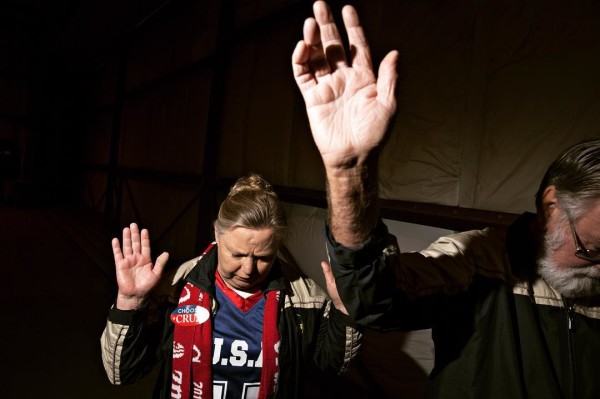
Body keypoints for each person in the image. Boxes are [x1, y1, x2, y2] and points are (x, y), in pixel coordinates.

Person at [292, 1, 600, 398]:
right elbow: (377, 298)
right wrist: (349, 172)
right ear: (552, 207)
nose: (596, 268)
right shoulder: (478, 261)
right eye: (590, 249)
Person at [100, 173, 361, 399]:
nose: (248, 269)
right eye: (237, 255)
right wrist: (129, 302)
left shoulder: (305, 298)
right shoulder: (174, 289)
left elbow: (333, 365)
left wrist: (345, 310)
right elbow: (121, 372)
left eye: (263, 258)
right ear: (216, 233)